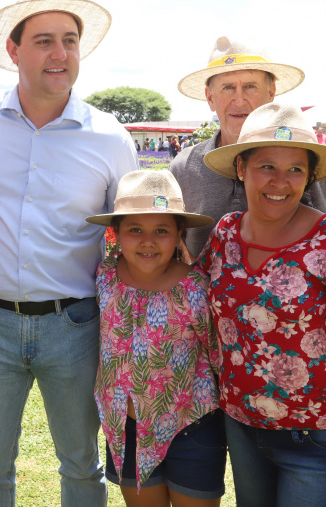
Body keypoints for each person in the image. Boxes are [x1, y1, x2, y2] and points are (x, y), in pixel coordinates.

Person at [0, 0, 138, 506]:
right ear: (13, 51)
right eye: (44, 41)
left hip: (74, 326)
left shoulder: (111, 139)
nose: (60, 54)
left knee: (81, 465)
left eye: (69, 41)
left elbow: (140, 231)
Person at [201, 103, 326, 506]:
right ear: (241, 168)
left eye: (296, 170)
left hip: (321, 438)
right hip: (243, 427)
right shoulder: (224, 235)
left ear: (309, 177)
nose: (280, 182)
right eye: (266, 166)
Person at [86, 170, 224, 507]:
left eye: (161, 231)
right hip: (126, 427)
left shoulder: (197, 288)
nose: (148, 241)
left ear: (179, 233)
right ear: (115, 233)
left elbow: (218, 356)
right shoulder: (105, 277)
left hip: (191, 426)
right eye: (135, 230)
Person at [170, 36, 326, 258]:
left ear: (271, 94)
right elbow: (173, 246)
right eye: (227, 87)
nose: (239, 100)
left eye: (250, 86)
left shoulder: (301, 161)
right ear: (210, 97)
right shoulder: (183, 168)